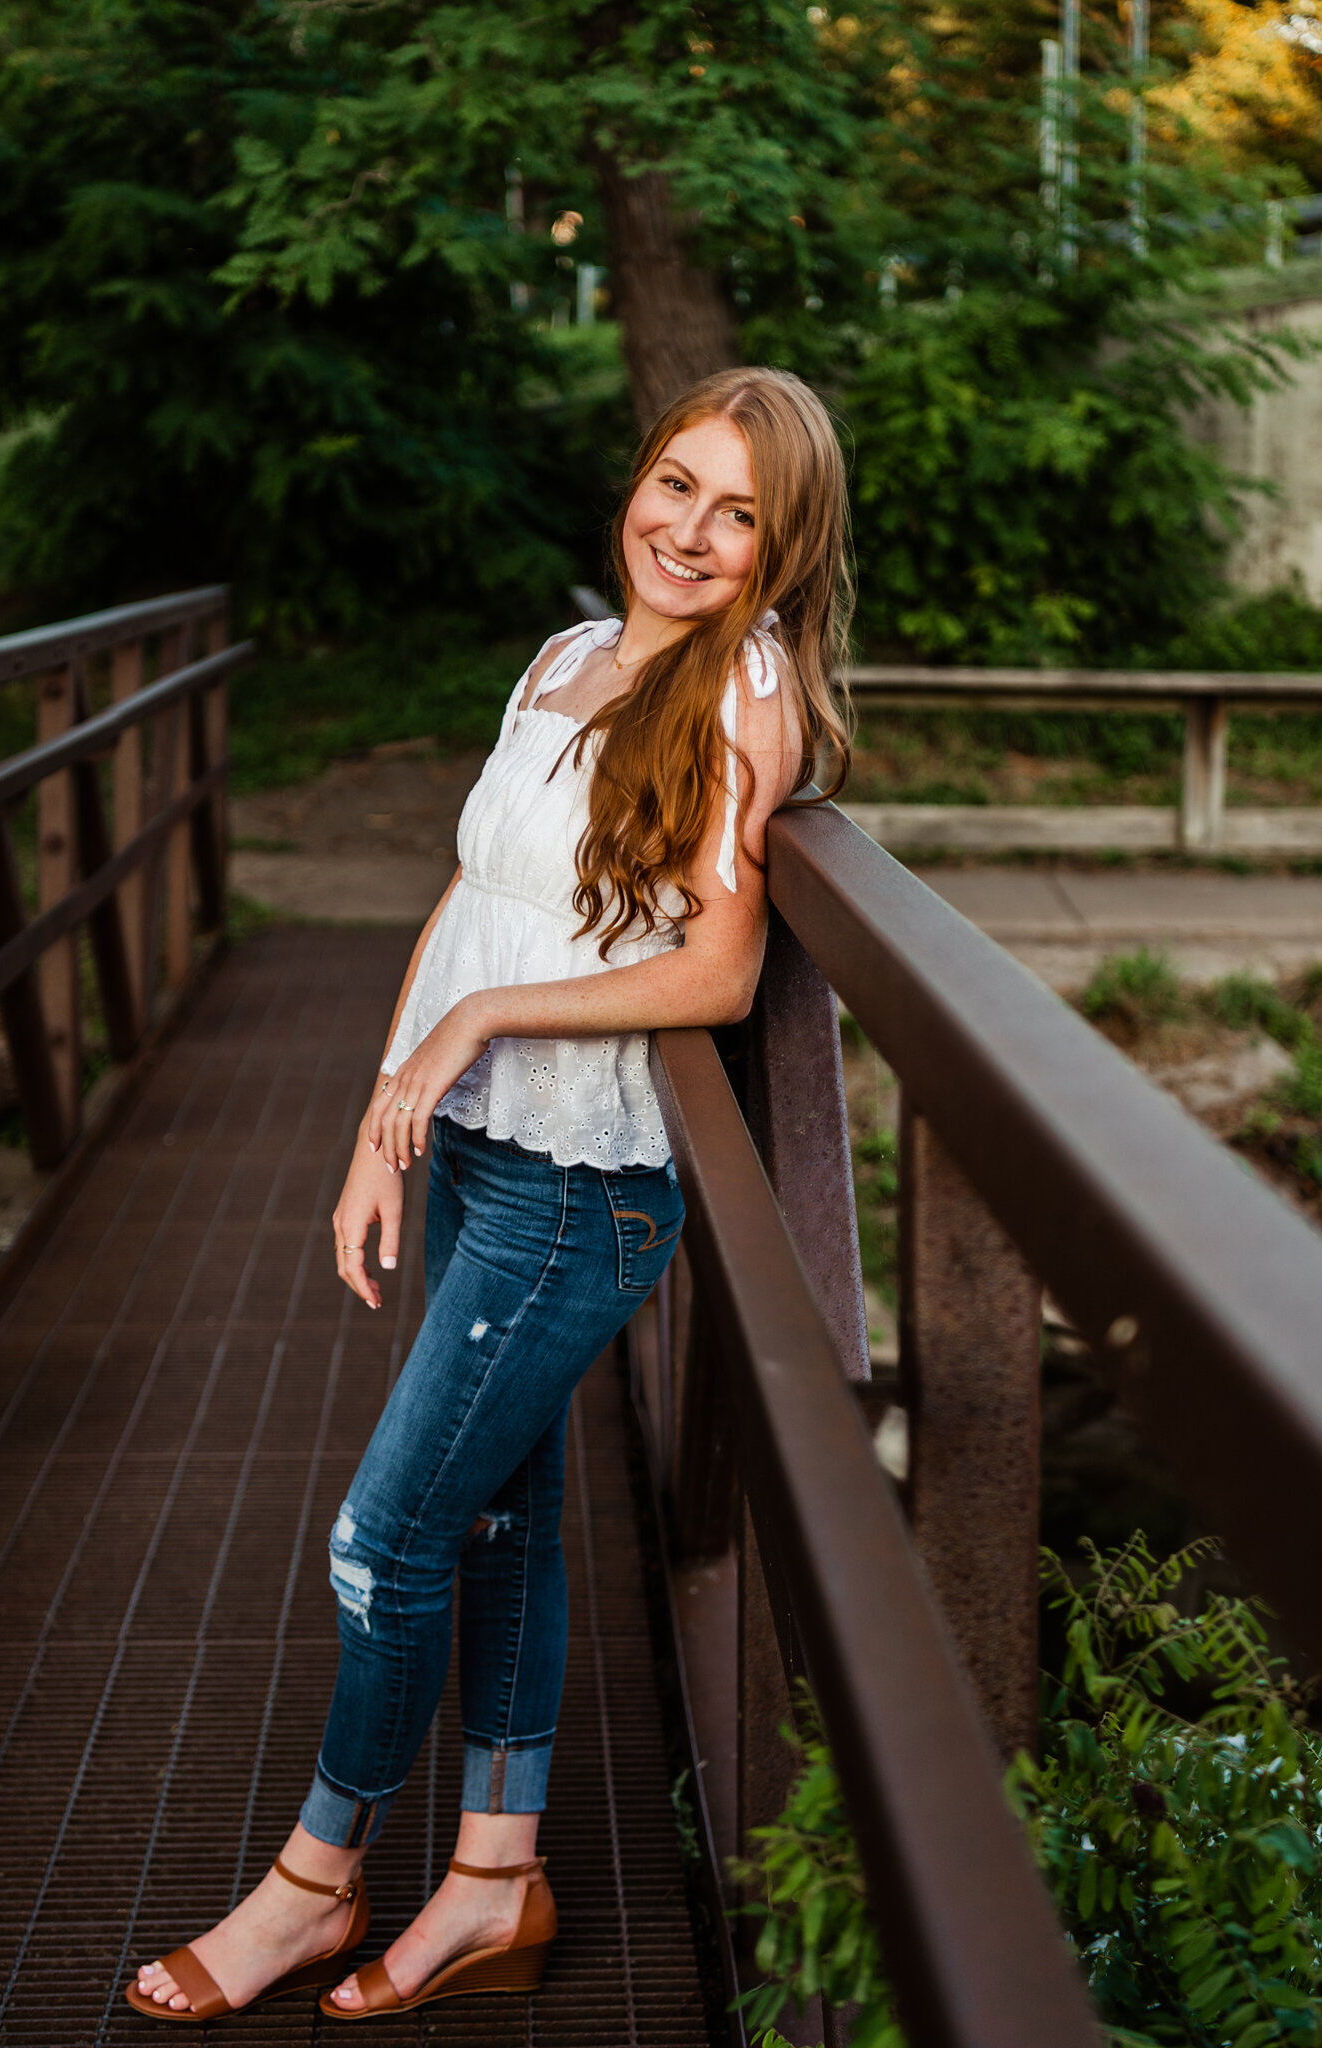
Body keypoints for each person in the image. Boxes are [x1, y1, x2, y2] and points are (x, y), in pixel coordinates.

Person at [126, 364, 852, 2023]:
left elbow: (722, 978)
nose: (690, 530)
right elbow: (472, 892)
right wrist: (387, 1113)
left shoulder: (746, 699)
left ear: (783, 550)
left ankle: (315, 1884)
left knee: (384, 1542)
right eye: (677, 484)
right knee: (502, 1516)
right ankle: (493, 1882)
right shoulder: (564, 657)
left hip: (583, 1187)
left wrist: (480, 1020)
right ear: (639, 480)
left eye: (739, 513)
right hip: (474, 1145)